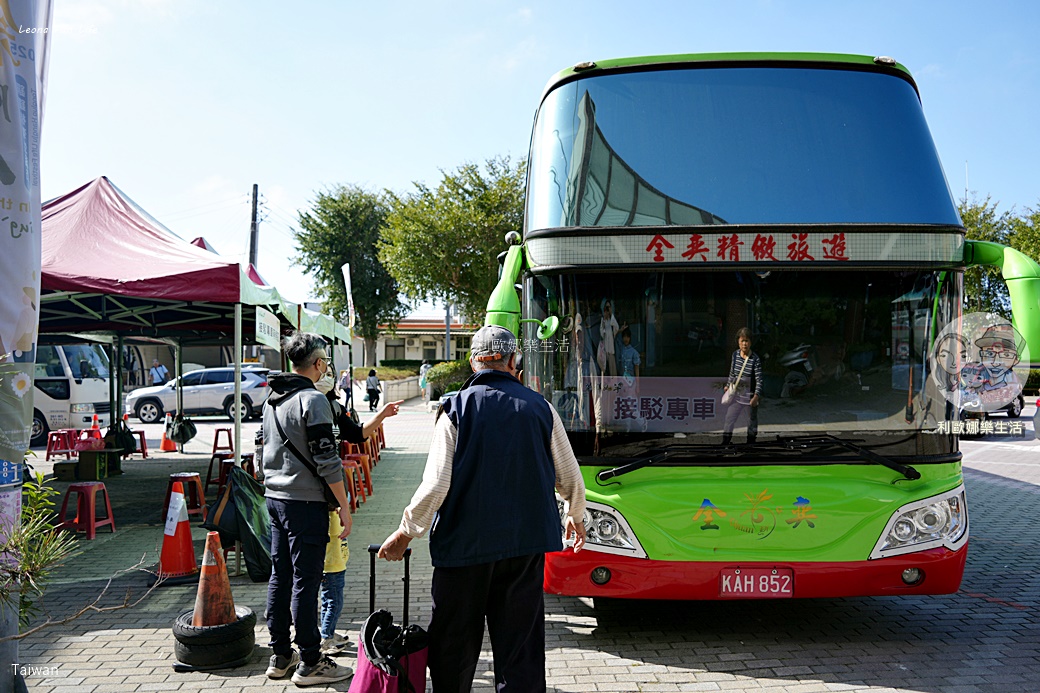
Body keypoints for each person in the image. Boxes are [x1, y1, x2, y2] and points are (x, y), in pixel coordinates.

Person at [377, 324, 587, 693]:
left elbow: (437, 484)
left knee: (454, 647)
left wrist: (406, 532)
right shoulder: (541, 407)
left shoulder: (455, 407)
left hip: (464, 550)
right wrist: (575, 514)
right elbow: (569, 473)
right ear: (512, 362)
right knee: (519, 648)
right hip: (524, 547)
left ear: (474, 363)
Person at [261, 332, 363, 686]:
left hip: (274, 499)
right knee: (307, 581)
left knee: (281, 575)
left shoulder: (272, 399)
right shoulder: (313, 400)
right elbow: (327, 460)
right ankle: (310, 660)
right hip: (306, 504)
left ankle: (280, 654)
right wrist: (345, 507)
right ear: (319, 364)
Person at [722, 327, 763, 445]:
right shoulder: (735, 355)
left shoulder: (755, 359)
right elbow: (732, 373)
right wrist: (728, 386)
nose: (744, 344)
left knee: (751, 422)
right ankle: (725, 443)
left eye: (747, 341)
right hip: (736, 397)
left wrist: (756, 396)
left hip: (749, 398)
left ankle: (750, 444)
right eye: (742, 341)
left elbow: (759, 379)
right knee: (729, 420)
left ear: (750, 342)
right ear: (738, 342)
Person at [318, 510, 351, 656]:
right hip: (333, 568)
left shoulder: (334, 514)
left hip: (334, 566)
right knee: (334, 603)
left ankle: (328, 632)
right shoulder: (330, 516)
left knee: (327, 602)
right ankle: (326, 638)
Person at [598, 299, 621, 376]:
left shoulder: (612, 320)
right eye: (606, 308)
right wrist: (604, 320)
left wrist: (611, 314)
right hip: (604, 351)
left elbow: (616, 328)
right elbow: (602, 334)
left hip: (611, 351)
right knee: (604, 372)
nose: (607, 310)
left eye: (608, 308)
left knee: (613, 373)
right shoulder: (603, 320)